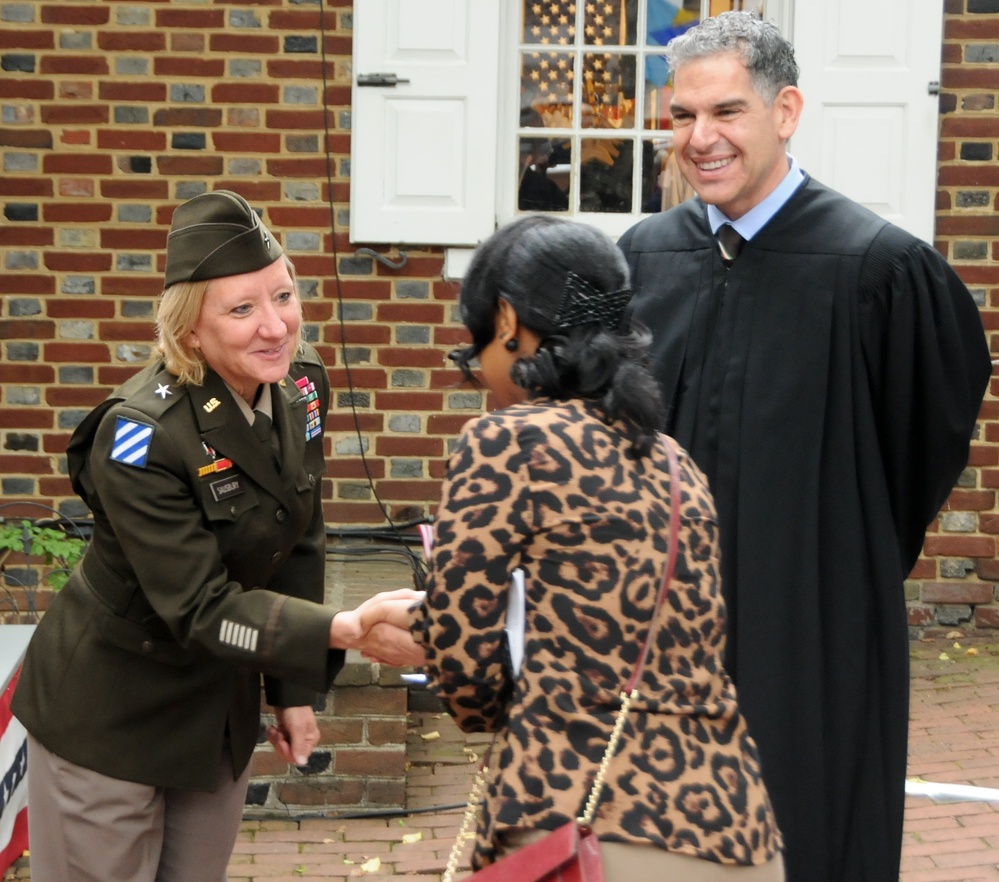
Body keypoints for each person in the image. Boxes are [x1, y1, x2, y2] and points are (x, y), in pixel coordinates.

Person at [616, 13, 992, 882]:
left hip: (813, 624)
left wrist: (839, 551)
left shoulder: (877, 269)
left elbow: (920, 444)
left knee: (809, 832)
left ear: (784, 111)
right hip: (660, 627)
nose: (700, 139)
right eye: (681, 117)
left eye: (727, 112)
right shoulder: (641, 259)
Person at [10, 190, 421, 882]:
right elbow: (199, 605)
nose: (275, 327)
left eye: (283, 296)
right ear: (190, 332)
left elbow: (301, 536)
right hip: (112, 714)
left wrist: (292, 691)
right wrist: (345, 629)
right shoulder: (139, 438)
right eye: (242, 309)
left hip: (214, 712)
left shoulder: (301, 390)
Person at [410, 215, 785, 881]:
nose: (481, 377)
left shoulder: (505, 443)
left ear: (505, 321)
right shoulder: (673, 463)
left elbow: (467, 681)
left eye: (474, 352)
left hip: (585, 829)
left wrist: (423, 627)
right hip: (735, 830)